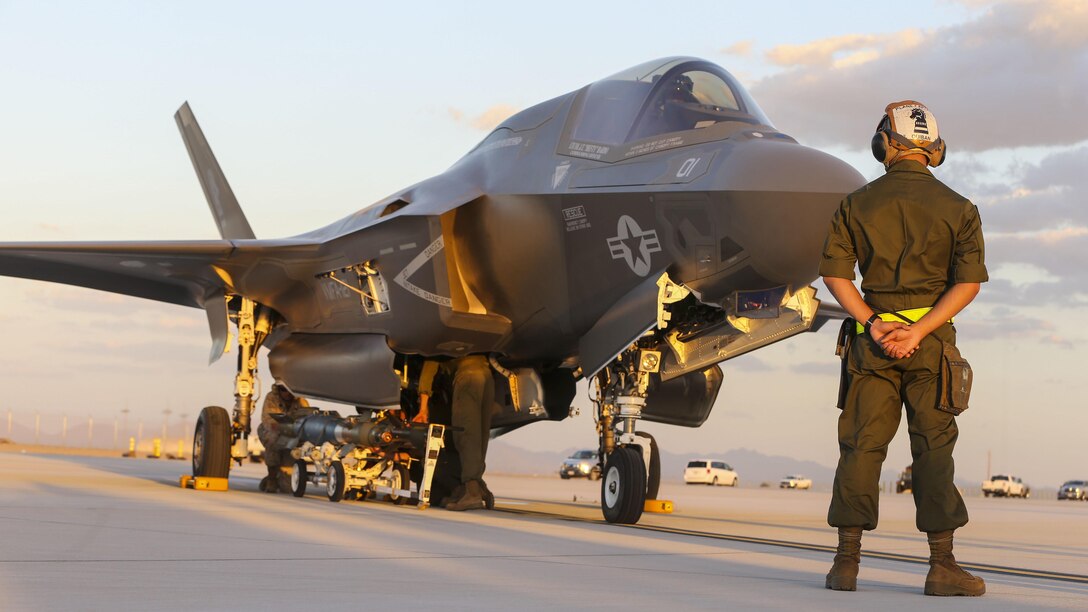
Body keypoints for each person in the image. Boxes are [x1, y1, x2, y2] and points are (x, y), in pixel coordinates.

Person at [819, 101, 988, 597]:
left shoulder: (856, 204)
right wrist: (918, 331)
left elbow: (835, 275)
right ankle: (942, 566)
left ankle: (845, 564)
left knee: (860, 447)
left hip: (871, 346)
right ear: (933, 149)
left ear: (885, 144)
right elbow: (968, 285)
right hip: (930, 345)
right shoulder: (960, 208)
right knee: (934, 449)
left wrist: (873, 323)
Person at [415, 355, 496, 511]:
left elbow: (429, 368)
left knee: (465, 435)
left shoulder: (438, 338)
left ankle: (472, 493)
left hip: (467, 377)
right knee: (480, 436)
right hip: (487, 376)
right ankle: (480, 488)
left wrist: (423, 408)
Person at [257, 383, 312, 493]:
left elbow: (307, 420)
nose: (286, 393)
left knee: (287, 488)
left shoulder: (301, 402)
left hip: (291, 436)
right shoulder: (271, 398)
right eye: (283, 390)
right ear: (279, 389)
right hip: (273, 431)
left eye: (289, 390)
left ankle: (275, 478)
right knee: (272, 441)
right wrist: (282, 427)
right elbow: (268, 420)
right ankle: (271, 478)